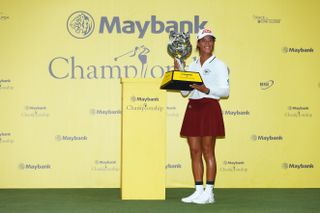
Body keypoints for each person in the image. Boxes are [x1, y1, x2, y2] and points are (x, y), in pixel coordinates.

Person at [175, 28, 229, 204]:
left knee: (208, 150)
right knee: (194, 151)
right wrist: (179, 72)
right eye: (204, 40)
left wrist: (206, 89)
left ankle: (209, 192)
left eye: (211, 40)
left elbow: (225, 91)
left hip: (209, 107)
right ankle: (199, 190)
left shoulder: (219, 65)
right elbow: (184, 92)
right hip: (193, 107)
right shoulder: (192, 65)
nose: (208, 43)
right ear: (198, 43)